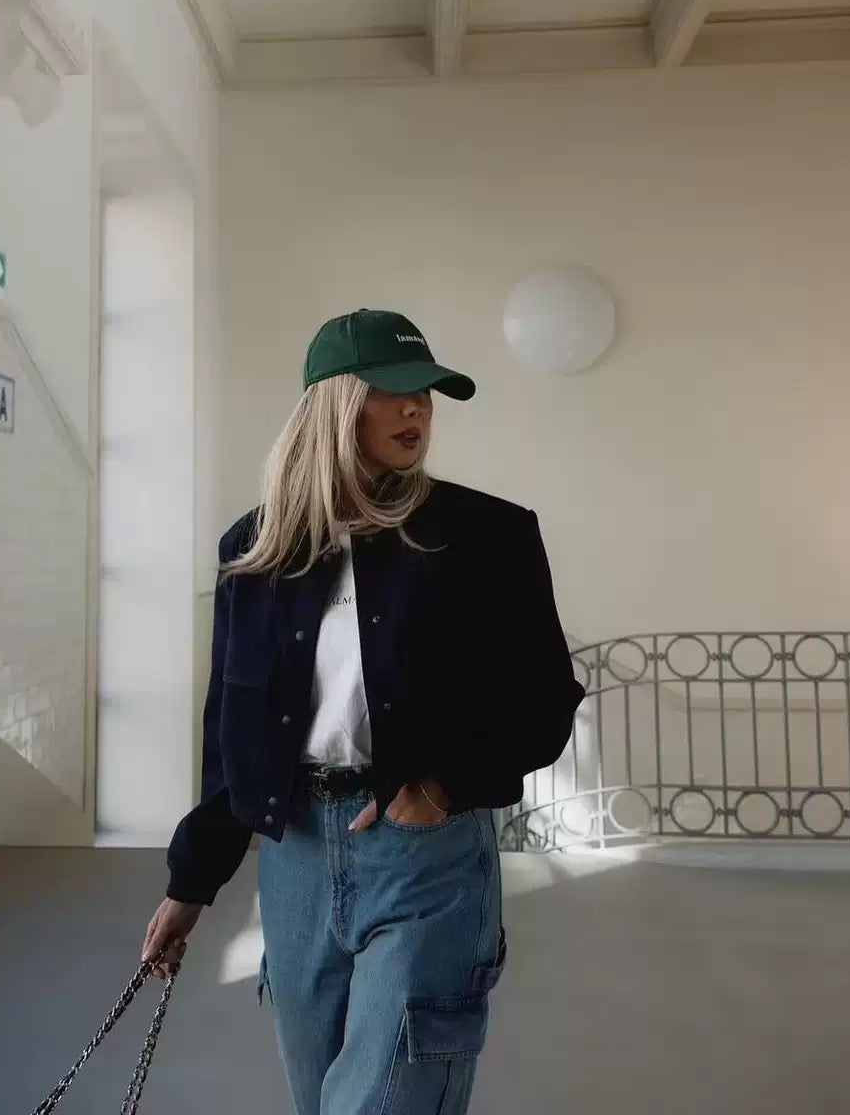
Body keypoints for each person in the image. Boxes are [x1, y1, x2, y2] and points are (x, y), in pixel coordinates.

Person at [142, 308, 584, 1115]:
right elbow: (230, 735)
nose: (416, 408)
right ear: (334, 402)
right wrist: (191, 882)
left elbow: (546, 701)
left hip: (426, 854)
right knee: (319, 1100)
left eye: (426, 393)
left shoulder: (488, 536)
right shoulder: (255, 550)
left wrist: (444, 788)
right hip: (295, 859)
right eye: (391, 390)